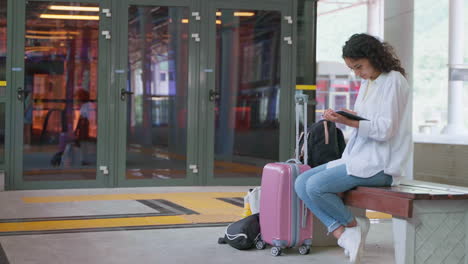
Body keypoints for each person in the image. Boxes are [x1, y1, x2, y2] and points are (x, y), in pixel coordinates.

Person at [294, 33, 412, 263]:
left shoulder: (394, 81)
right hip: (359, 157)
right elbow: (367, 119)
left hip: (382, 165)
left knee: (316, 186)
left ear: (374, 57)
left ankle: (351, 226)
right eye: (352, 69)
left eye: (359, 66)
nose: (357, 73)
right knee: (300, 183)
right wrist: (344, 115)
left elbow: (385, 130)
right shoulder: (369, 83)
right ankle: (345, 232)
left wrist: (346, 121)